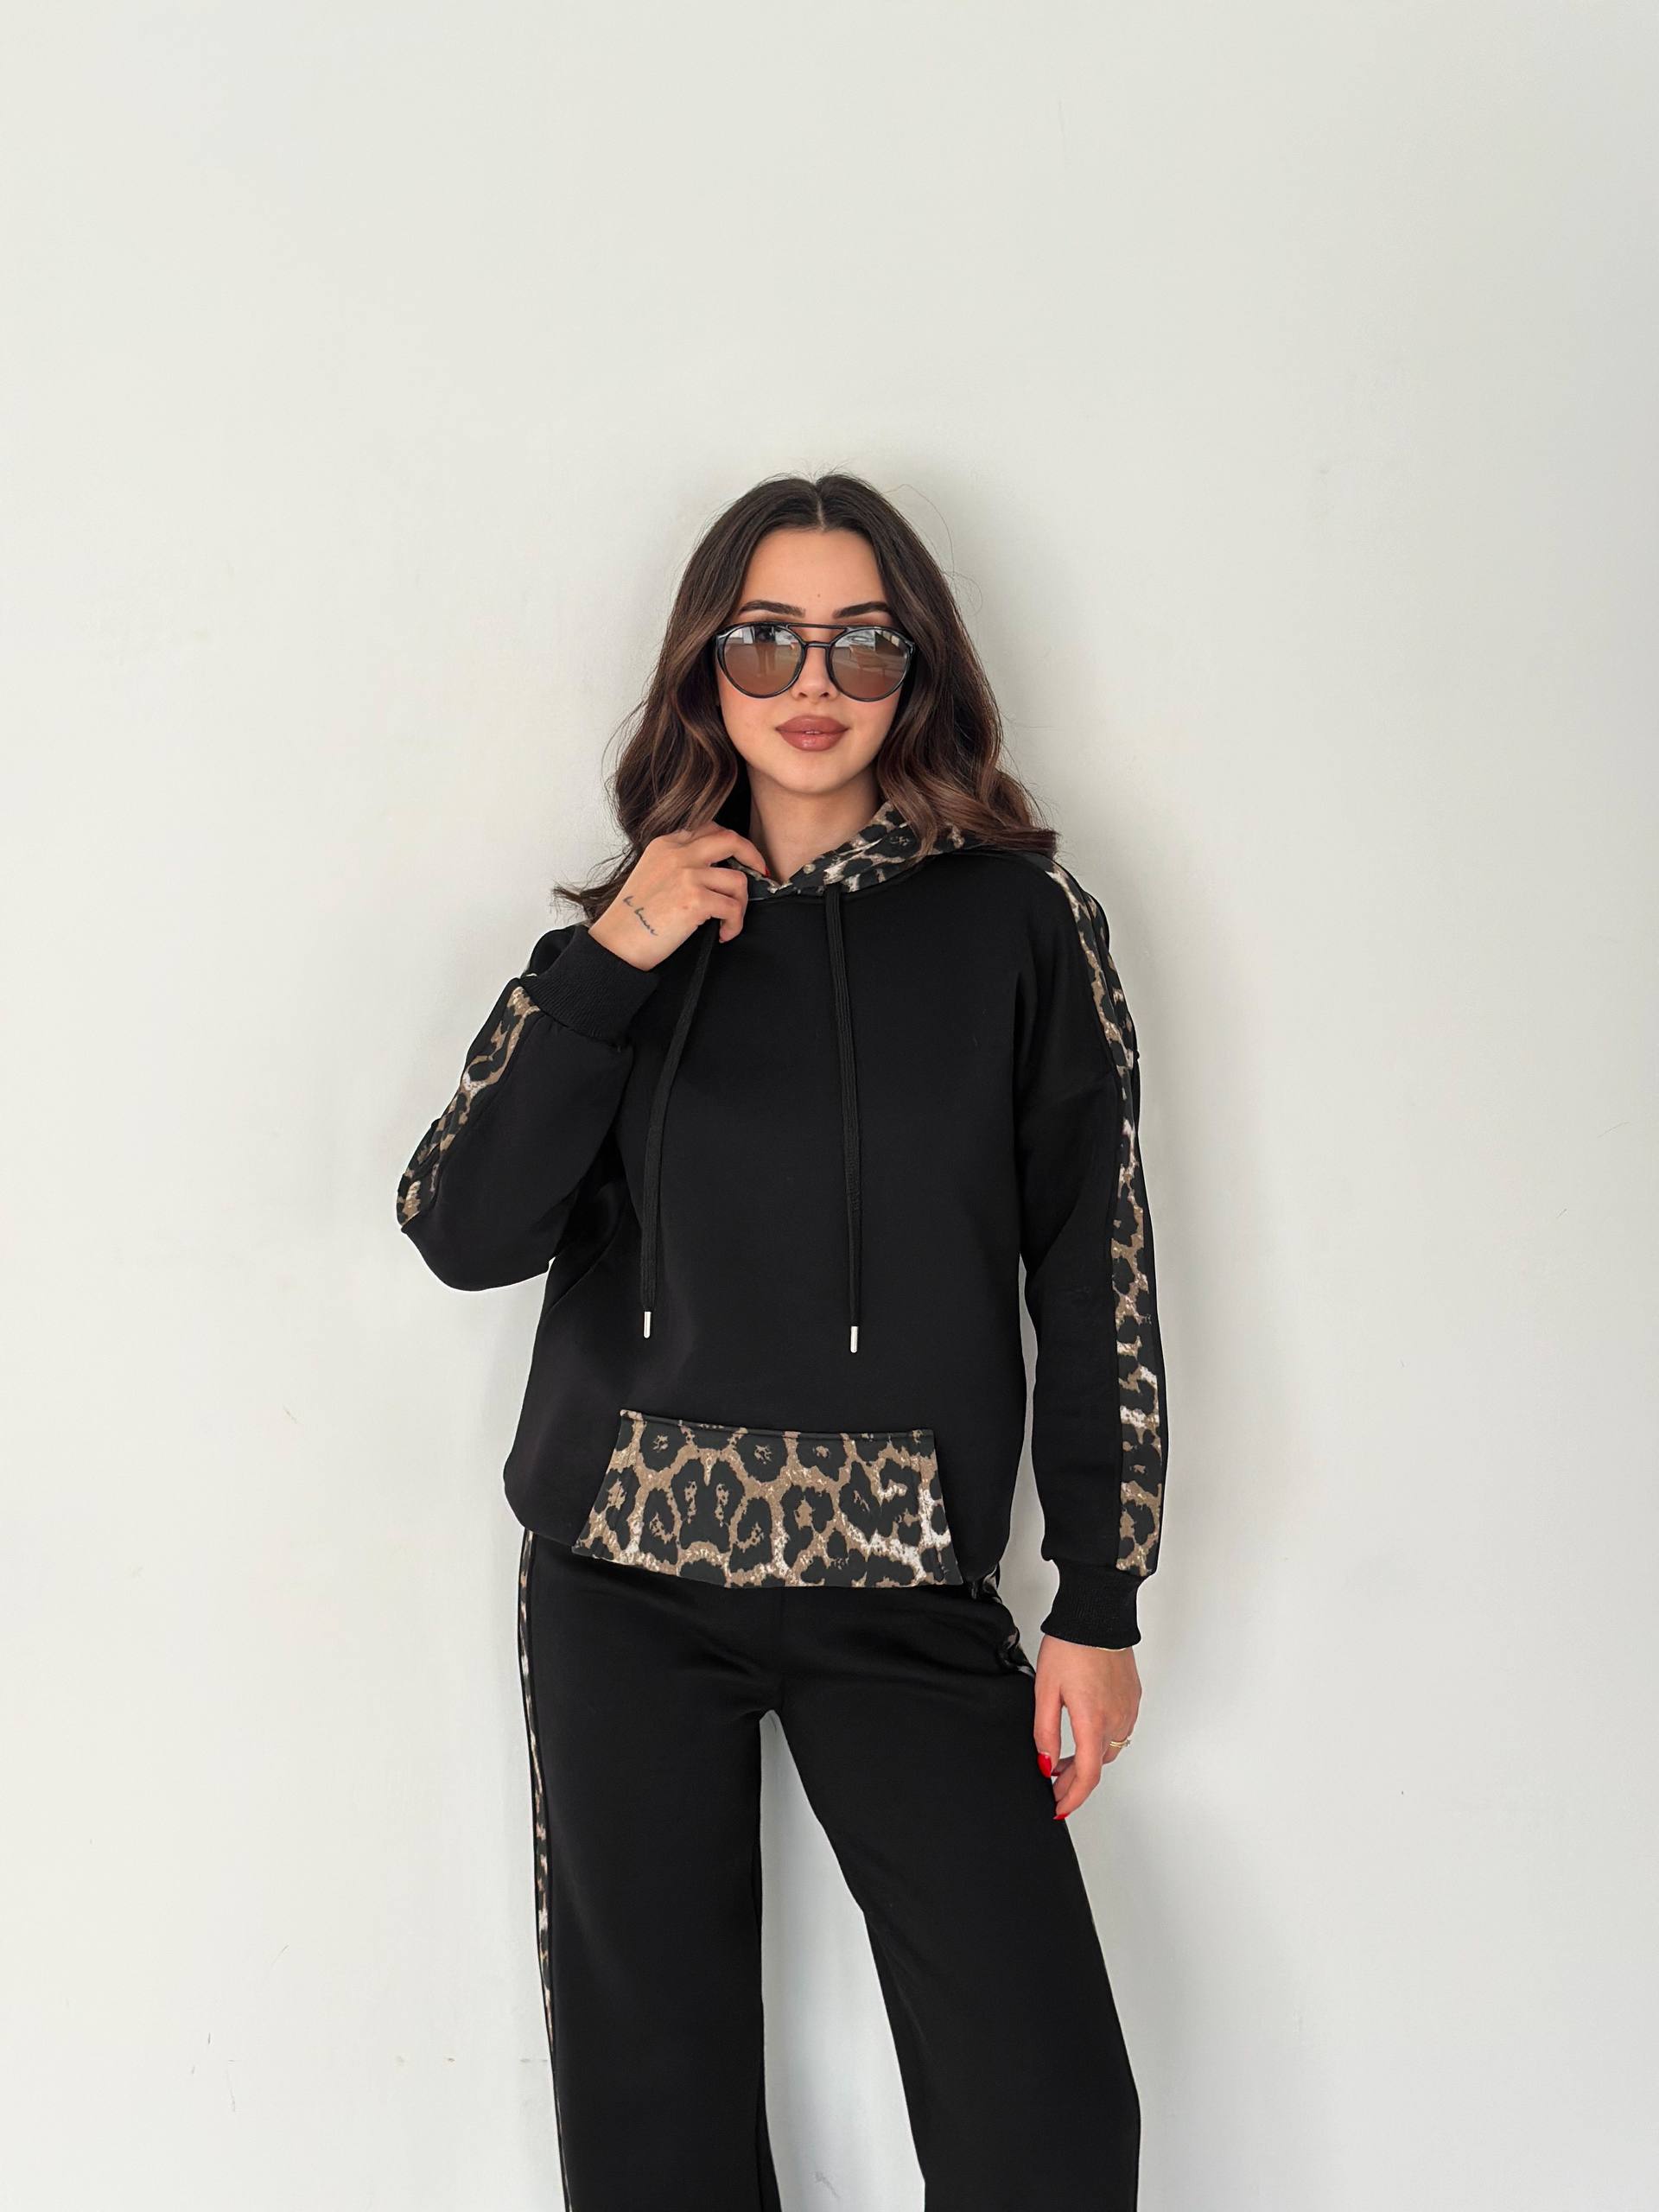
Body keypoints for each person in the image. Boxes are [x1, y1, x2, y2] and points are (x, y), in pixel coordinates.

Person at [395, 471, 1170, 2211]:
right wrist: (616, 955)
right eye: (765, 639)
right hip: (620, 1578)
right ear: (704, 665)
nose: (811, 681)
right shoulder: (627, 934)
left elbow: (1095, 1264)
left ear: (918, 668)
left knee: (1043, 2110)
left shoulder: (1020, 924)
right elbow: (461, 1229)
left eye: (860, 642)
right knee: (652, 2110)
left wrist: (1099, 1597)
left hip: (901, 1577)